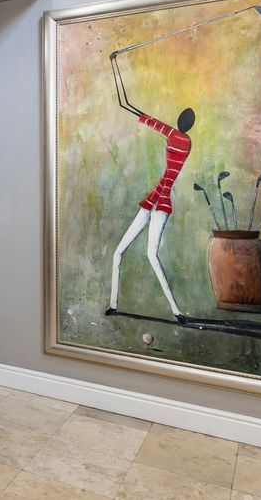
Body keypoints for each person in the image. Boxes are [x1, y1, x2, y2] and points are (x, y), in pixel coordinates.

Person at [107, 53, 192, 324]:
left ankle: (177, 312)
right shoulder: (185, 141)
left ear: (181, 123)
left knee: (146, 255)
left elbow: (127, 105)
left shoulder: (176, 136)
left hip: (160, 201)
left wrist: (114, 63)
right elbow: (133, 109)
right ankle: (114, 305)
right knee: (130, 253)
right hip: (156, 200)